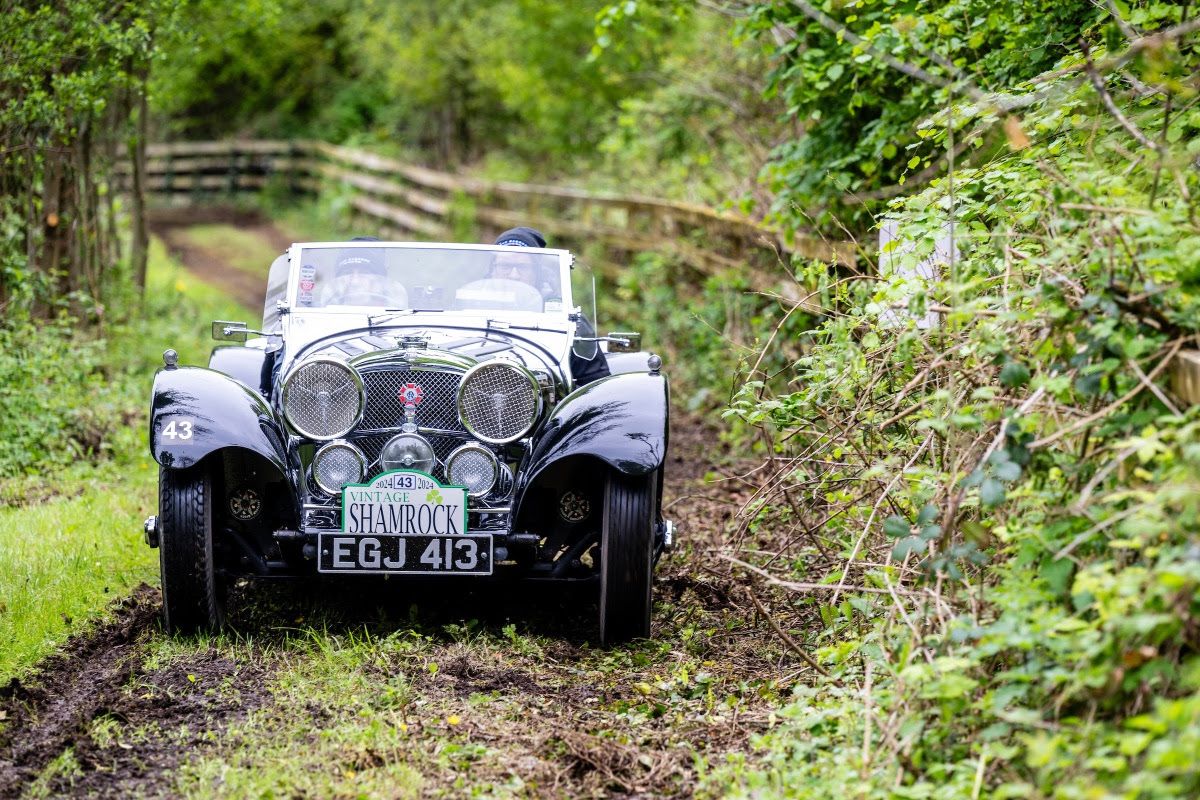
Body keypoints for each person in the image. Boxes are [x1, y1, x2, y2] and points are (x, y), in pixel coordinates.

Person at [490, 227, 611, 386]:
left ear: (537, 272)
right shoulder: (467, 309)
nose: (514, 275)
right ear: (493, 269)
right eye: (505, 266)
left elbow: (595, 385)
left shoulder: (565, 318)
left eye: (523, 267)